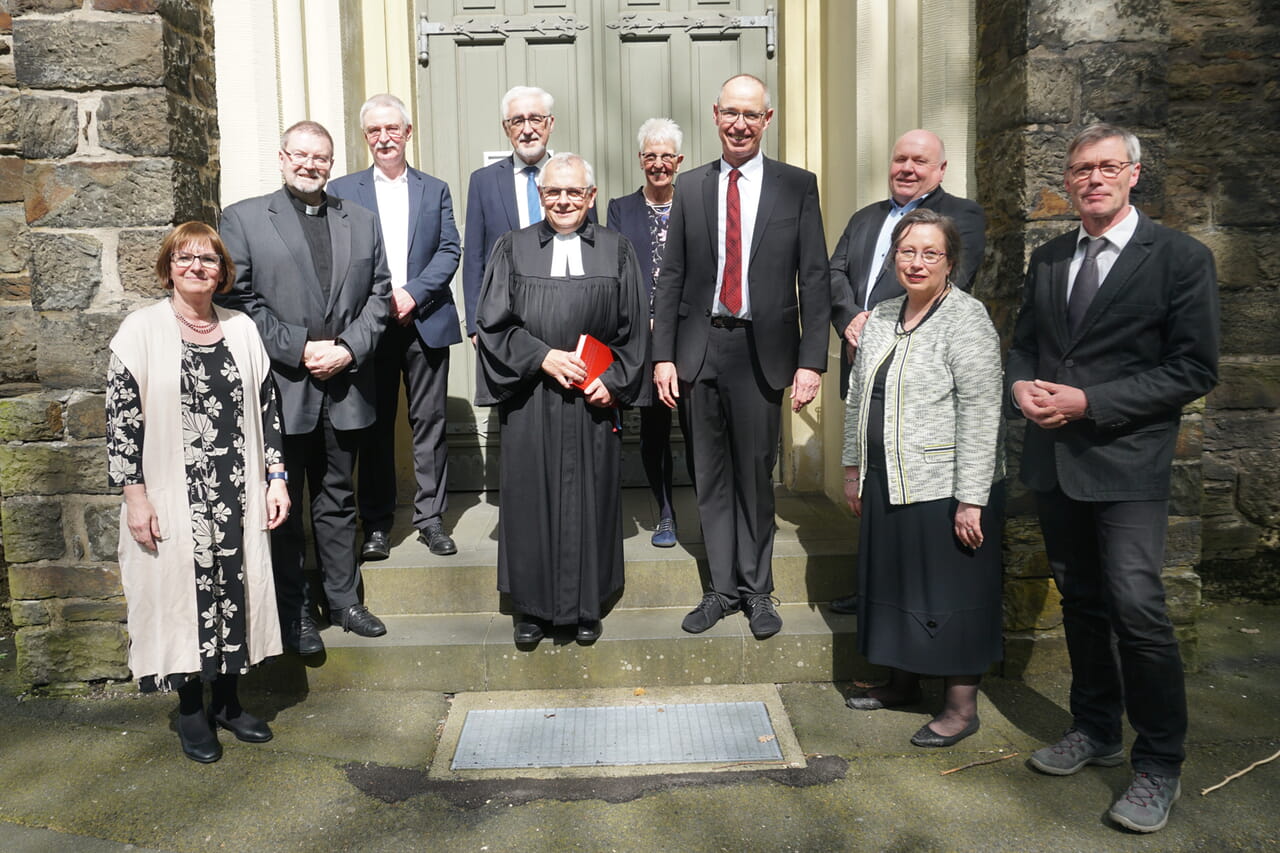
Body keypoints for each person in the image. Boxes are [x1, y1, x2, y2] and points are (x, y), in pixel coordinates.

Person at [1008, 124, 1219, 833]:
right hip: (1055, 463)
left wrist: (1090, 403)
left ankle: (1158, 762)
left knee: (1138, 607)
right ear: (1068, 182)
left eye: (1106, 167)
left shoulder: (1180, 258)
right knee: (1082, 601)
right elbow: (1025, 345)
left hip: (1127, 464)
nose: (1092, 179)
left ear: (1133, 174)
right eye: (1079, 170)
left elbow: (1193, 368)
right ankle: (1095, 726)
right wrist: (1020, 389)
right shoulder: (1048, 257)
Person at [653, 74, 829, 640]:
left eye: (751, 115)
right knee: (709, 475)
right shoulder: (693, 187)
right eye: (731, 113)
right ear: (715, 114)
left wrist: (812, 360)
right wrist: (662, 356)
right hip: (699, 350)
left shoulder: (796, 186)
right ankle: (720, 590)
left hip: (763, 350)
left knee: (754, 473)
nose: (740, 124)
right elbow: (672, 277)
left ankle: (758, 592)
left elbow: (815, 277)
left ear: (767, 119)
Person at [107, 222, 289, 763]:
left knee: (235, 591)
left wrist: (275, 478)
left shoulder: (242, 329)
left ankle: (229, 703)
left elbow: (267, 409)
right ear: (168, 268)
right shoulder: (139, 331)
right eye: (185, 259)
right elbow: (121, 421)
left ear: (222, 271)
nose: (197, 267)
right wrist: (134, 496)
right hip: (171, 492)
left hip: (235, 490)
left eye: (208, 259)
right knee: (179, 598)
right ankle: (191, 709)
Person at [219, 120, 392, 656]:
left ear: (332, 162)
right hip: (283, 388)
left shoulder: (360, 220)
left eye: (321, 157)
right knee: (284, 507)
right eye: (300, 155)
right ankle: (295, 615)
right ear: (281, 157)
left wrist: (346, 348)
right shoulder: (244, 219)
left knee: (339, 499)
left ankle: (344, 601)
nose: (310, 165)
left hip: (344, 385)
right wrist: (298, 348)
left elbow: (381, 294)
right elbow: (240, 299)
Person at [840, 209, 1004, 749]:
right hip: (887, 479)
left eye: (930, 253)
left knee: (948, 590)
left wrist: (972, 499)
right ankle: (901, 682)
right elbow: (858, 398)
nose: (916, 262)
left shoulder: (967, 318)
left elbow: (983, 411)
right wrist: (852, 469)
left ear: (950, 262)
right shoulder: (883, 314)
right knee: (893, 583)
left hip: (944, 487)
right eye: (907, 251)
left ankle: (960, 708)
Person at [475, 153, 648, 645]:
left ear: (591, 197)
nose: (564, 200)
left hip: (591, 403)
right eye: (554, 192)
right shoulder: (513, 248)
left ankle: (585, 606)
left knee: (590, 499)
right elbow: (493, 325)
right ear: (540, 195)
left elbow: (634, 331)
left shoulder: (617, 250)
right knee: (531, 499)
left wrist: (612, 381)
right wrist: (542, 357)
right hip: (531, 399)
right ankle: (531, 610)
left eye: (574, 192)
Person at [827, 130, 986, 615]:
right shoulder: (864, 217)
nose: (908, 168)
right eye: (900, 159)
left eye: (920, 161)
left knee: (912, 500)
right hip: (864, 363)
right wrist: (850, 317)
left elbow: (949, 283)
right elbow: (832, 273)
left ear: (941, 169)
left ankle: (910, 607)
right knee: (873, 492)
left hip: (922, 391)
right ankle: (874, 587)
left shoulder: (963, 216)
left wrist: (881, 324)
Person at [329, 94, 463, 560]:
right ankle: (378, 523)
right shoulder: (343, 190)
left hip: (424, 319)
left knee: (430, 422)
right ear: (366, 138)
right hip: (370, 325)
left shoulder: (435, 189)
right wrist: (377, 303)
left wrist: (412, 293)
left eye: (392, 129)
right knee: (375, 425)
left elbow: (450, 249)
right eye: (374, 131)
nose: (384, 138)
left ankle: (431, 519)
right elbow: (339, 257)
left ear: (408, 133)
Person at [606, 117, 685, 548]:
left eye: (666, 157)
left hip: (687, 336)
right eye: (651, 157)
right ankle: (665, 513)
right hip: (639, 337)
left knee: (694, 427)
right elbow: (617, 270)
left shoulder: (693, 202)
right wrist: (643, 318)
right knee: (651, 428)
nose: (659, 165)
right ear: (641, 160)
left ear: (679, 161)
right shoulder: (621, 208)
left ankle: (700, 511)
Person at [464, 86, 597, 342]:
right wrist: (475, 324)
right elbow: (474, 259)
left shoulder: (576, 175)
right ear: (506, 128)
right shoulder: (484, 182)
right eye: (517, 121)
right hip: (505, 318)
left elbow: (592, 245)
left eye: (535, 119)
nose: (527, 130)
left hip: (568, 315)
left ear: (550, 124)